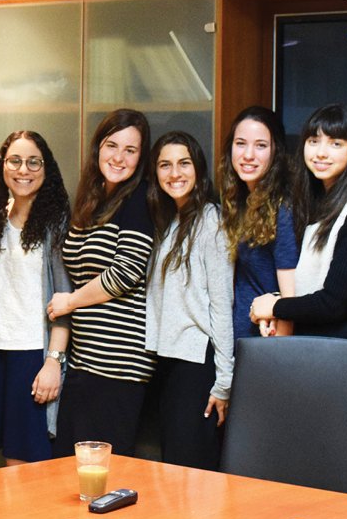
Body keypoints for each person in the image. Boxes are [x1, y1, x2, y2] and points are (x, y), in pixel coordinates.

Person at [49, 109, 154, 458]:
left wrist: (70, 302)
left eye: (130, 150)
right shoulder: (92, 201)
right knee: (70, 467)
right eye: (112, 146)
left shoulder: (139, 200)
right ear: (98, 148)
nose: (119, 157)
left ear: (140, 158)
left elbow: (126, 272)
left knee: (105, 472)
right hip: (84, 360)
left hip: (118, 363)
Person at [251, 103, 347, 346]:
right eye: (314, 141)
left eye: (335, 144)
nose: (321, 153)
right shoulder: (321, 203)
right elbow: (316, 286)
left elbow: (335, 303)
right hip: (327, 343)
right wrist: (276, 307)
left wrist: (275, 306)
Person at [0, 130, 71, 465]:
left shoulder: (56, 223)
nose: (23, 170)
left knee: (28, 464)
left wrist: (53, 362)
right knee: (8, 462)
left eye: (33, 162)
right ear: (2, 165)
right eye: (15, 161)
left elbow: (64, 298)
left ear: (46, 168)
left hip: (33, 354)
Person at [145, 131, 234, 471]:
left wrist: (223, 382)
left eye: (184, 163)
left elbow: (221, 304)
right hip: (168, 360)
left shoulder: (211, 221)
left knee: (191, 470)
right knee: (172, 468)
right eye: (165, 165)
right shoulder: (169, 220)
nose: (174, 173)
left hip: (197, 361)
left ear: (198, 168)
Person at [218, 106, 298, 339]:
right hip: (240, 339)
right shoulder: (237, 200)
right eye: (240, 143)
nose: (248, 155)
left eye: (261, 145)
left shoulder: (282, 209)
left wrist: (279, 349)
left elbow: (290, 300)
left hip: (267, 343)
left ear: (275, 152)